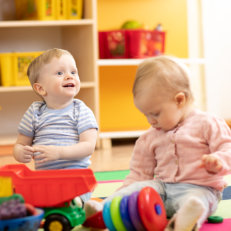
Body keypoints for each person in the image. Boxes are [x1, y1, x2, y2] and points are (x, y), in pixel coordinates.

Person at [85, 56, 231, 231]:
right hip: (162, 188)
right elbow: (138, 174)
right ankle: (103, 210)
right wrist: (123, 195)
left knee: (197, 200)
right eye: (145, 115)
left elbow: (226, 148)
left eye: (155, 113)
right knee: (138, 188)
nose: (150, 121)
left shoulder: (208, 123)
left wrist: (218, 161)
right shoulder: (149, 138)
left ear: (179, 100)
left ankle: (184, 222)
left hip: (201, 187)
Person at [13, 48, 98, 202]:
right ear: (40, 88)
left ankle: (78, 203)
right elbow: (20, 144)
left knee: (75, 197)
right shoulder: (34, 112)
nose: (68, 76)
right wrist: (20, 153)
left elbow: (88, 146)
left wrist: (59, 153)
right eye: (60, 73)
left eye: (73, 72)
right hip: (44, 177)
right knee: (27, 197)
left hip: (75, 176)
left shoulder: (81, 110)